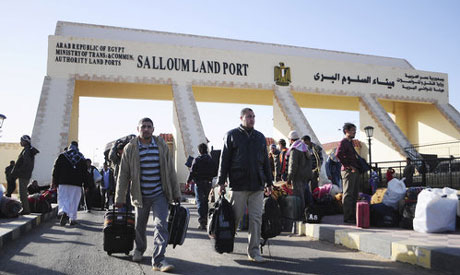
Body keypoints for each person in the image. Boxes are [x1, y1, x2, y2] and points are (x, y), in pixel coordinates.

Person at [114, 117, 181, 272]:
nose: (146, 129)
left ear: (153, 129)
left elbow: (170, 169)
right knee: (140, 226)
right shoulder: (130, 148)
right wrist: (119, 198)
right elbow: (123, 175)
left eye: (149, 126)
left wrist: (176, 192)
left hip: (160, 194)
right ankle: (139, 249)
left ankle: (159, 260)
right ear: (138, 129)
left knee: (161, 225)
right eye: (143, 126)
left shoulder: (161, 145)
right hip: (140, 194)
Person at [217, 107, 273, 263]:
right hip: (238, 184)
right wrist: (221, 182)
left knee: (256, 219)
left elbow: (266, 163)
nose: (252, 119)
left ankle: (254, 252)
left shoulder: (260, 137)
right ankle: (226, 242)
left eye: (253, 116)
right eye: (249, 116)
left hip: (257, 185)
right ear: (241, 118)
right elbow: (224, 160)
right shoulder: (231, 135)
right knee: (234, 217)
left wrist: (269, 182)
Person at [52, 141, 88, 226]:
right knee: (74, 201)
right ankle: (72, 219)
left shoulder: (62, 156)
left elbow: (56, 169)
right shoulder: (81, 158)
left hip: (63, 182)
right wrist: (86, 185)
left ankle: (64, 211)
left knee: (63, 198)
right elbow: (85, 173)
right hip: (76, 184)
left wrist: (54, 181)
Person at [187, 143, 216, 230]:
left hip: (199, 183)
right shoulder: (211, 160)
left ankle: (202, 222)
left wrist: (188, 182)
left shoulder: (197, 160)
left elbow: (192, 172)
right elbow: (214, 171)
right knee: (206, 202)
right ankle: (206, 221)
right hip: (208, 183)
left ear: (199, 150)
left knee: (200, 202)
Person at [335, 123, 359, 224]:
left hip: (354, 171)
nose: (354, 132)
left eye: (355, 130)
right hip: (348, 171)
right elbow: (338, 154)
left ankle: (353, 215)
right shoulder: (343, 142)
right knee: (348, 194)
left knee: (354, 194)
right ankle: (348, 216)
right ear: (346, 131)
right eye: (352, 130)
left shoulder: (350, 143)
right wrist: (348, 166)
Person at [9, 135, 39, 215]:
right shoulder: (27, 150)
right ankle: (25, 208)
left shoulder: (27, 151)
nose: (20, 142)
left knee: (22, 193)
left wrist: (19, 171)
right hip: (25, 174)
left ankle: (26, 210)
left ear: (26, 142)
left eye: (21, 140)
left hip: (23, 175)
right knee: (23, 192)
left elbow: (26, 164)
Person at [286, 130, 312, 218]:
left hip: (298, 177)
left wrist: (289, 178)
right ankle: (309, 213)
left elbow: (292, 165)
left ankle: (301, 215)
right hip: (306, 176)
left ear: (291, 140)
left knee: (299, 197)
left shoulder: (295, 149)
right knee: (307, 195)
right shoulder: (304, 147)